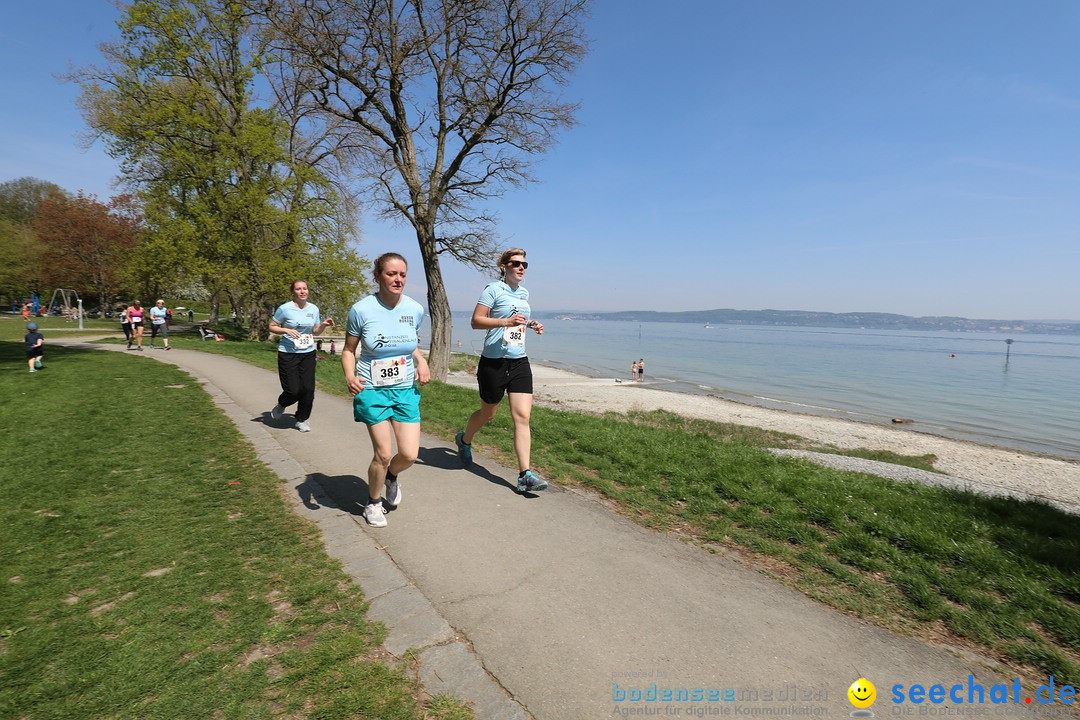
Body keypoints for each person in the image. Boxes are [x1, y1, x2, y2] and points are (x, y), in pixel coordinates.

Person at [342, 253, 430, 528]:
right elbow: (348, 350)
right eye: (392, 274)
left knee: (409, 455)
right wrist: (349, 374)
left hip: (404, 390)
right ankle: (373, 502)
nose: (398, 279)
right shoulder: (362, 310)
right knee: (382, 452)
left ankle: (391, 476)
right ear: (378, 276)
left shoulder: (415, 309)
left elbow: (409, 343)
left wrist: (422, 361)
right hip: (373, 390)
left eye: (402, 274)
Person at [454, 248, 547, 494]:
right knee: (489, 413)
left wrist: (531, 323)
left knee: (522, 417)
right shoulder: (493, 290)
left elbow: (518, 320)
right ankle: (464, 440)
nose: (521, 268)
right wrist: (505, 321)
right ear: (503, 267)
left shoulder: (524, 293)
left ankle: (525, 475)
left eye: (525, 265)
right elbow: (476, 321)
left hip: (519, 362)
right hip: (493, 363)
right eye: (516, 263)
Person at [268, 280, 334, 432]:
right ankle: (281, 405)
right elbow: (272, 326)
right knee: (293, 390)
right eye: (299, 289)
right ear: (293, 292)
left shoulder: (314, 309)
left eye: (305, 288)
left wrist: (323, 324)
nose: (303, 291)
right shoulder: (284, 309)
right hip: (288, 353)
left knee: (308, 389)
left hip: (308, 353)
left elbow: (315, 330)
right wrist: (286, 330)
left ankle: (302, 419)